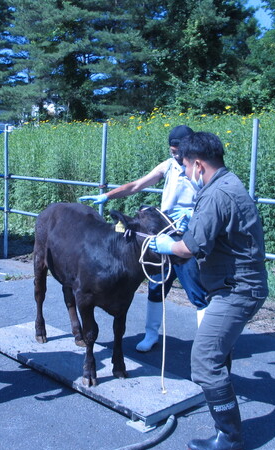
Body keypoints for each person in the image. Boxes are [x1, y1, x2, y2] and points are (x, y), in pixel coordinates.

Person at [149, 131, 268, 450]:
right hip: (239, 285)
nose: (185, 174)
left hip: (237, 290)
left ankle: (230, 437)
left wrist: (165, 245)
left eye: (186, 167)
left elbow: (190, 247)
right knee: (215, 354)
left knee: (203, 362)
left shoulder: (215, 195)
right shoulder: (228, 184)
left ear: (199, 165)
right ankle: (223, 401)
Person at [79, 125, 207, 352]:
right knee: (156, 287)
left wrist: (192, 215)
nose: (174, 155)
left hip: (187, 235)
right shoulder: (169, 166)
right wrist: (107, 195)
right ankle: (151, 335)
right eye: (172, 150)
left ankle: (209, 345)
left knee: (196, 291)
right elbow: (138, 184)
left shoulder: (200, 168)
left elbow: (211, 200)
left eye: (177, 151)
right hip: (164, 232)